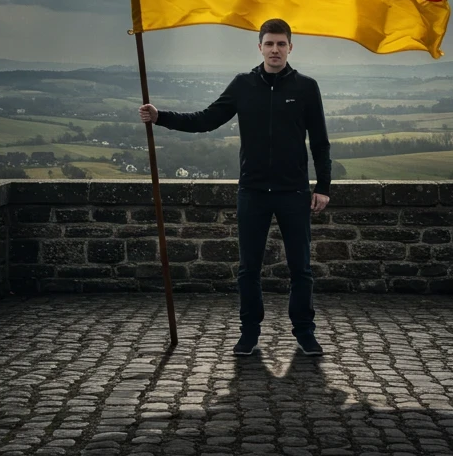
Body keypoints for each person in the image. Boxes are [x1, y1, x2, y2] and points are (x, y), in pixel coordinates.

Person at [138, 18, 332, 356]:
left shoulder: (306, 87)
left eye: (281, 44)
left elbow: (320, 142)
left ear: (290, 47)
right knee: (248, 269)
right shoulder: (243, 85)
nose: (275, 50)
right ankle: (249, 334)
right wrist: (160, 117)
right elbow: (205, 120)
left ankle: (305, 333)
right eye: (269, 44)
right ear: (259, 47)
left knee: (301, 268)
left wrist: (323, 186)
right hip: (253, 192)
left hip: (294, 193)